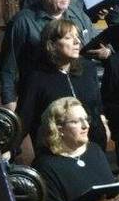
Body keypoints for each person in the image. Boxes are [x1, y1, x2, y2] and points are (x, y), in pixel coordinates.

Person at [0, 0, 93, 110]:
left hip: (75, 86)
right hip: (39, 93)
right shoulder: (22, 21)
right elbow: (7, 66)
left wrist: (106, 50)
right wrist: (9, 100)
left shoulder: (77, 14)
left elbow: (92, 41)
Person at [17, 19, 108, 159]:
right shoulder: (36, 77)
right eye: (68, 38)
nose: (77, 42)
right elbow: (24, 119)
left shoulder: (88, 68)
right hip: (57, 151)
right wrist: (9, 151)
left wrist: (104, 125)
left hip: (94, 145)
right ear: (52, 45)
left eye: (77, 37)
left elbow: (97, 105)